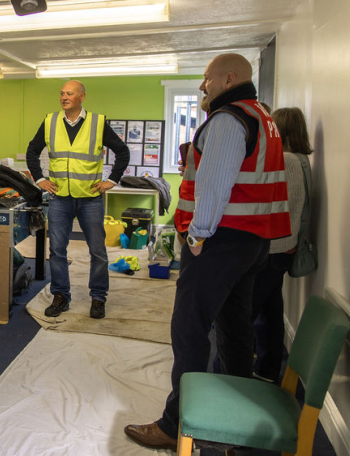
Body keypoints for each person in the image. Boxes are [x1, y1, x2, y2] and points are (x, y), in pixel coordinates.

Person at [124, 54, 290, 450]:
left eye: (208, 79)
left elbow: (213, 187)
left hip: (220, 242)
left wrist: (196, 237)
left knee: (190, 328)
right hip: (252, 243)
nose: (203, 86)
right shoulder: (263, 117)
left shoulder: (229, 120)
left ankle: (174, 423)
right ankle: (239, 418)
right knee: (235, 329)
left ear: (230, 79)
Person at [25, 80, 130, 320]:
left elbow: (122, 151)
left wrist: (112, 180)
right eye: (62, 93)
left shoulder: (97, 122)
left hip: (90, 197)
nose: (64, 97)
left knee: (98, 251)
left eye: (69, 94)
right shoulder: (50, 121)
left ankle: (98, 297)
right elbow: (32, 151)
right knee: (58, 250)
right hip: (60, 197)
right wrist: (40, 178)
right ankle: (61, 295)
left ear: (82, 97)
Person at [251, 107, 313, 382]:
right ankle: (266, 368)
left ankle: (230, 375)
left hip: (275, 248)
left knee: (244, 313)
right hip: (285, 248)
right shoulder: (301, 160)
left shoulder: (286, 162)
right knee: (271, 311)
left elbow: (275, 205)